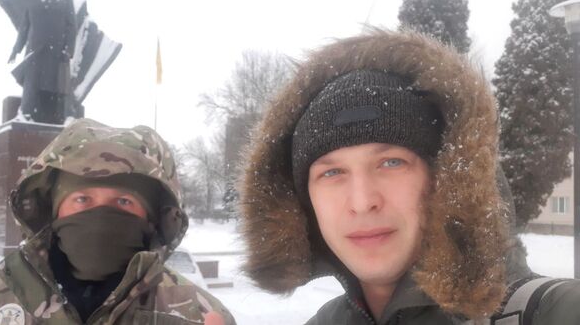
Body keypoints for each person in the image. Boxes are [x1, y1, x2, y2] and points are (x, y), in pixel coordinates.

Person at [238, 29, 580, 324]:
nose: (362, 201)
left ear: (445, 181)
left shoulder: (553, 312)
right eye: (332, 172)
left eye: (391, 163)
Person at [0, 118, 234, 325]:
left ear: (153, 219)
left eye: (123, 202)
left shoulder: (197, 315)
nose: (100, 218)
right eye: (82, 199)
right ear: (54, 211)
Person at [8, 0, 77, 124]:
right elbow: (25, 26)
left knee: (59, 87)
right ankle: (26, 115)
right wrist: (16, 49)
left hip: (57, 51)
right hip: (35, 49)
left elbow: (71, 26)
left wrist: (69, 49)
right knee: (31, 84)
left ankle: (64, 117)